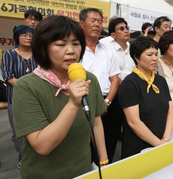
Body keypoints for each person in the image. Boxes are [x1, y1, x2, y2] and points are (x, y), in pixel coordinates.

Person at [12, 16, 108, 178]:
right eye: (61, 44)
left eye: (76, 44)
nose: (71, 50)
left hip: (84, 171)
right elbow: (42, 146)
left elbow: (96, 123)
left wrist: (104, 162)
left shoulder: (88, 78)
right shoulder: (26, 86)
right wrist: (72, 104)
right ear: (43, 48)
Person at [118, 36, 173, 159]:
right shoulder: (130, 83)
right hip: (138, 149)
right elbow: (134, 122)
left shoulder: (160, 80)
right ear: (136, 57)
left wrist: (166, 138)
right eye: (149, 55)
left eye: (156, 54)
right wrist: (159, 144)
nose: (155, 58)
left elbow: (170, 110)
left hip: (163, 143)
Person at [79, 8, 120, 164]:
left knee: (109, 142)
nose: (97, 24)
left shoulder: (109, 50)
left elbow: (115, 79)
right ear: (82, 23)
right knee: (85, 145)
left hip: (108, 101)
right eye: (93, 20)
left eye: (99, 21)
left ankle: (105, 168)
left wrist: (107, 102)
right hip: (83, 101)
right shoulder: (76, 49)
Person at [1, 25, 37, 169]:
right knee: (18, 128)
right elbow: (8, 76)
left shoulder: (38, 54)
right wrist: (29, 88)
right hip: (15, 97)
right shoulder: (9, 54)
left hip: (36, 97)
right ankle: (22, 153)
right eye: (24, 35)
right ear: (17, 37)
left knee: (37, 124)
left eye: (30, 35)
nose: (28, 38)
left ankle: (37, 152)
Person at [108, 17, 135, 83]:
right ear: (113, 35)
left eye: (127, 28)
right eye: (121, 29)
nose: (126, 31)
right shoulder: (109, 50)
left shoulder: (132, 48)